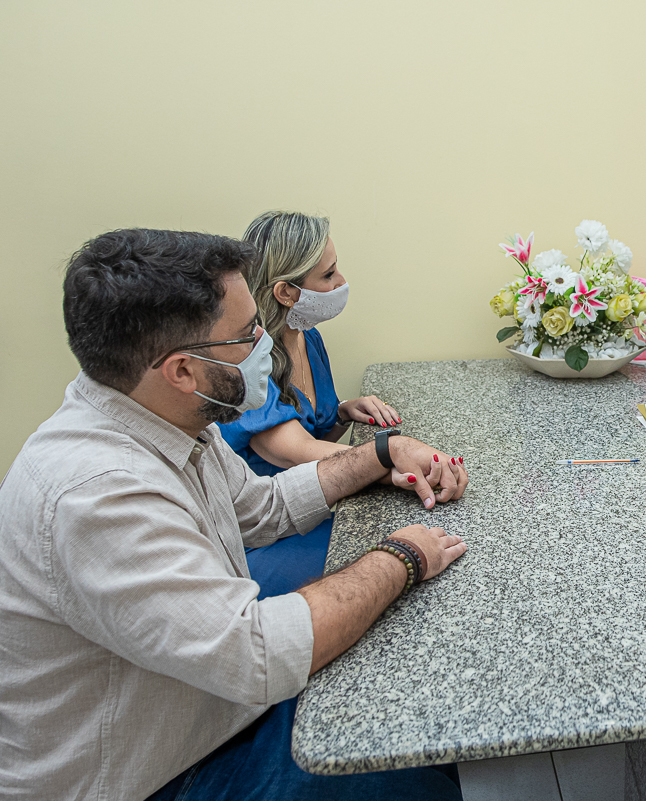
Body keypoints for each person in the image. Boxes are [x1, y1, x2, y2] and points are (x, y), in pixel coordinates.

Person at [0, 229, 470, 800]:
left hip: (208, 714)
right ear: (182, 370)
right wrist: (400, 557)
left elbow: (261, 507)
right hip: (157, 775)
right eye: (247, 335)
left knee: (410, 715)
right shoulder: (97, 496)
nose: (263, 345)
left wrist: (380, 454)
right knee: (408, 777)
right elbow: (260, 655)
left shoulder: (169, 418)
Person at [219, 211, 422, 599]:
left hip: (317, 508)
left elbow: (315, 430)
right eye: (328, 275)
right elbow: (298, 452)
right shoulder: (253, 365)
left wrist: (343, 411)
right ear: (286, 292)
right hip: (272, 535)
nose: (341, 282)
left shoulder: (305, 339)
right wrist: (395, 457)